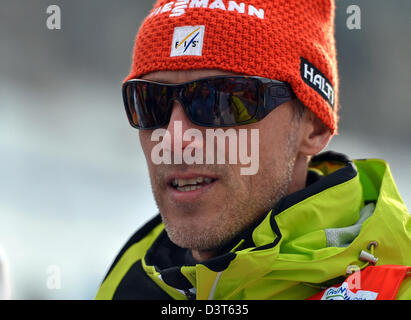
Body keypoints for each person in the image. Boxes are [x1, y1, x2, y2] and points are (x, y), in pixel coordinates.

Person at [96, 0, 410, 300]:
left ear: (312, 127)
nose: (175, 141)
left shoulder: (398, 286)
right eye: (151, 104)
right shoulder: (130, 278)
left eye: (220, 102)